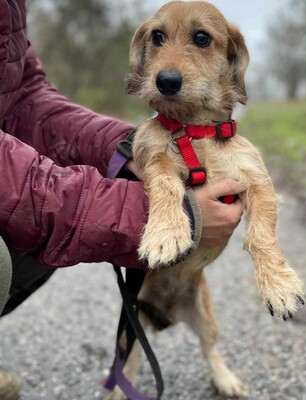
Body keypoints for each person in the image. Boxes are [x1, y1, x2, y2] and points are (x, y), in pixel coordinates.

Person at [0, 1, 244, 399]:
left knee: (37, 236)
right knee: (15, 244)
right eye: (159, 39)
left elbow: (25, 98)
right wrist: (173, 214)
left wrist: (122, 147)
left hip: (188, 283)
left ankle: (215, 360)